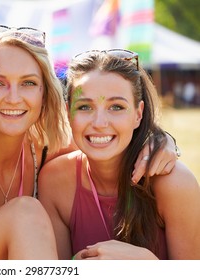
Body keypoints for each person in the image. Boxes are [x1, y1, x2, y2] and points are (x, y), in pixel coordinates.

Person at [0, 26, 178, 259]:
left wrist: (160, 139)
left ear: (44, 93)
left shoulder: (50, 152)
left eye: (28, 83)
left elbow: (110, 142)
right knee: (24, 213)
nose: (14, 98)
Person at [38, 49, 200, 260]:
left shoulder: (175, 183)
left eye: (116, 107)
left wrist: (149, 267)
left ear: (138, 114)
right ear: (68, 113)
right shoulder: (54, 181)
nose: (99, 123)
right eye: (85, 106)